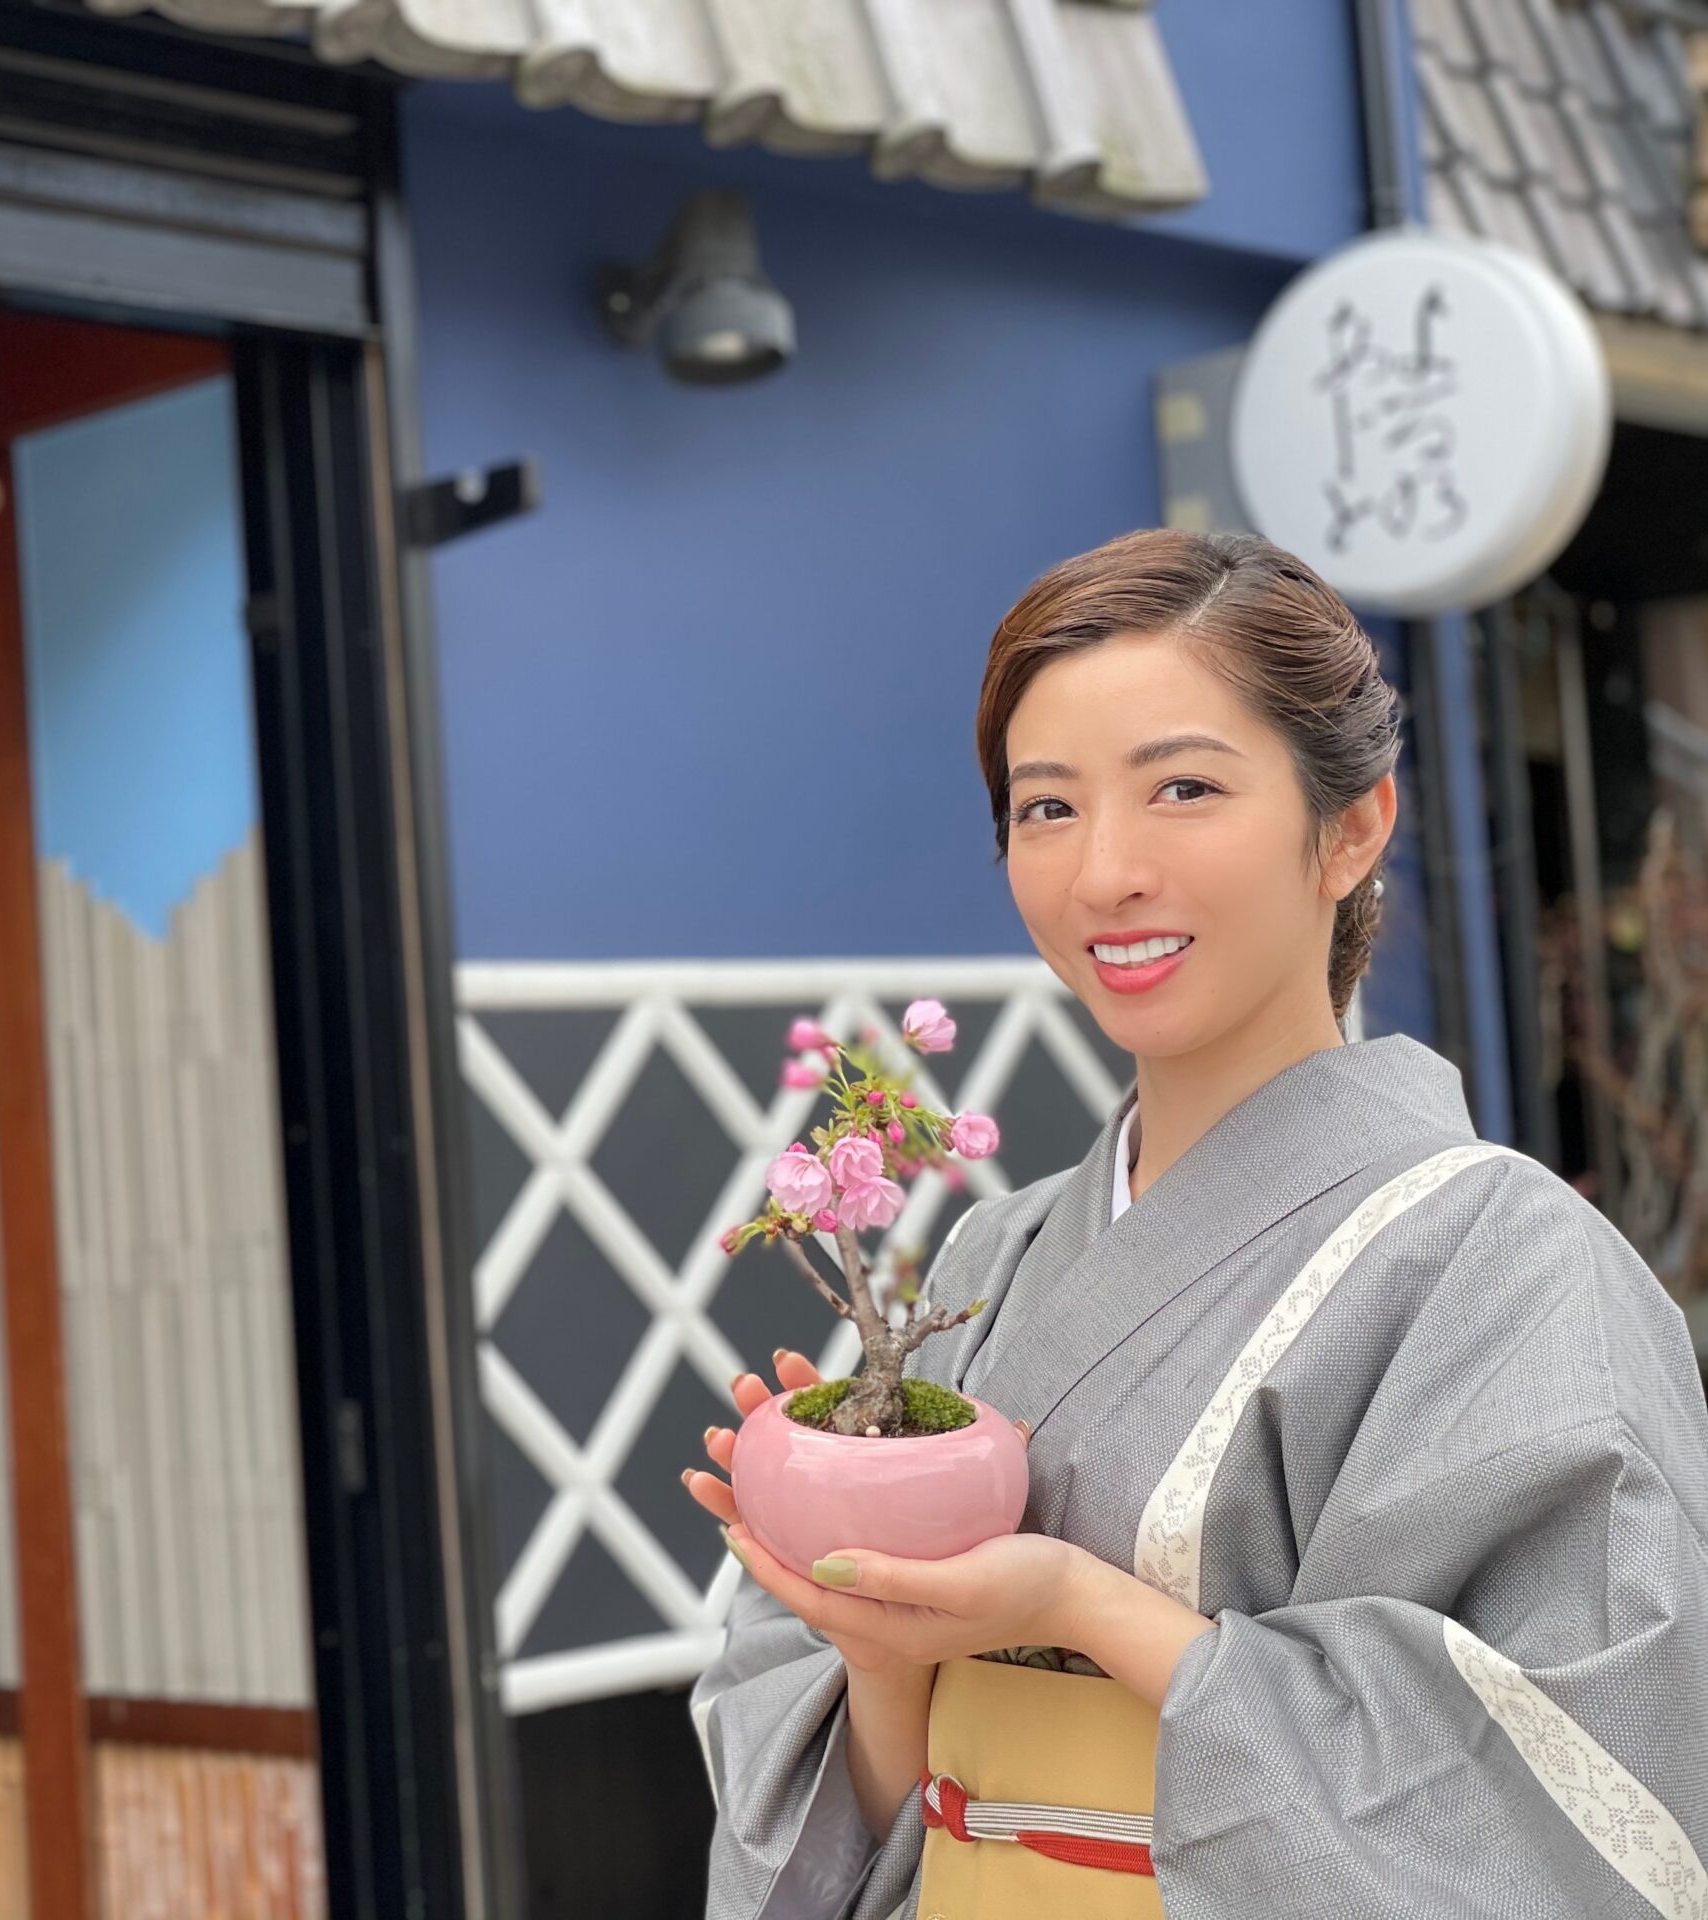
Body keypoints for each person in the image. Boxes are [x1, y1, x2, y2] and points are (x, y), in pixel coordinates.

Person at [683, 529, 1708, 1919]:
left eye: (1183, 787)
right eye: (1046, 809)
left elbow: (1586, 1792)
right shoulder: (991, 1262)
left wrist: (1075, 1605)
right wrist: (871, 1628)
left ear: (1351, 827)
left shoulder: (1509, 1262)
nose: (1105, 872)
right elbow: (866, 1821)